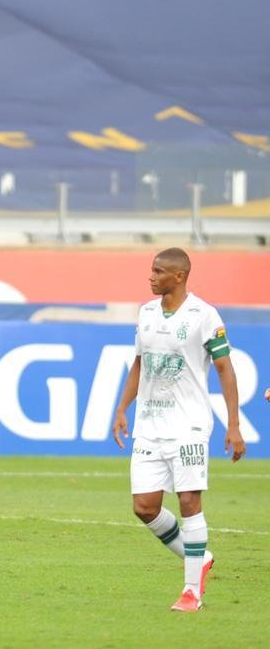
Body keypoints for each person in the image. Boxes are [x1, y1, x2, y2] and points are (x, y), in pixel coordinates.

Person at [111, 247, 245, 612]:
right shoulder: (147, 313)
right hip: (149, 424)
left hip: (189, 423)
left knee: (189, 501)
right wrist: (123, 407)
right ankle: (198, 557)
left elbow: (224, 369)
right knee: (144, 507)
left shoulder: (204, 315)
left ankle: (191, 592)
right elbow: (139, 363)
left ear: (179, 276)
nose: (150, 277)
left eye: (157, 271)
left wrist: (233, 424)